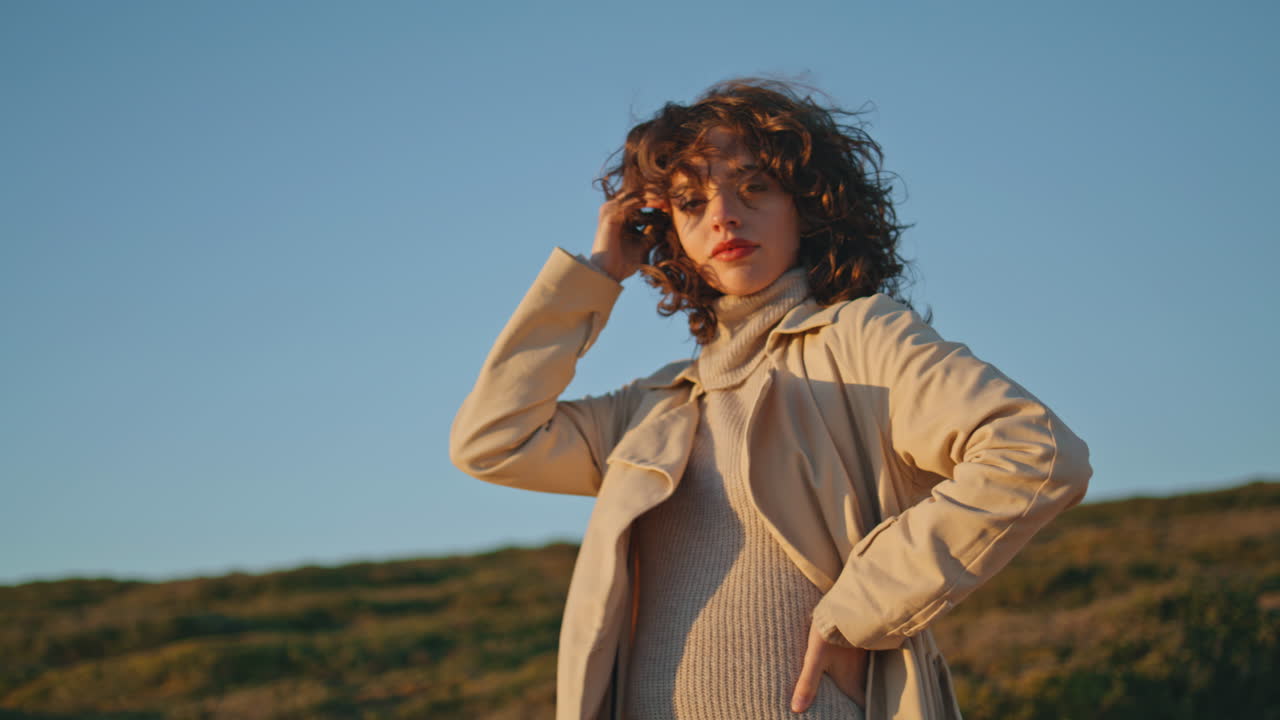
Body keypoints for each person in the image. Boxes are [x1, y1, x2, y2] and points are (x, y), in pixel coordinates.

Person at [450, 79, 1091, 720]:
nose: (725, 215)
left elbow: (1034, 451)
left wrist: (865, 608)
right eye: (691, 201)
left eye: (754, 186)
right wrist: (594, 275)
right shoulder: (649, 409)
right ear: (668, 233)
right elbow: (492, 441)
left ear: (806, 205)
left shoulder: (863, 338)